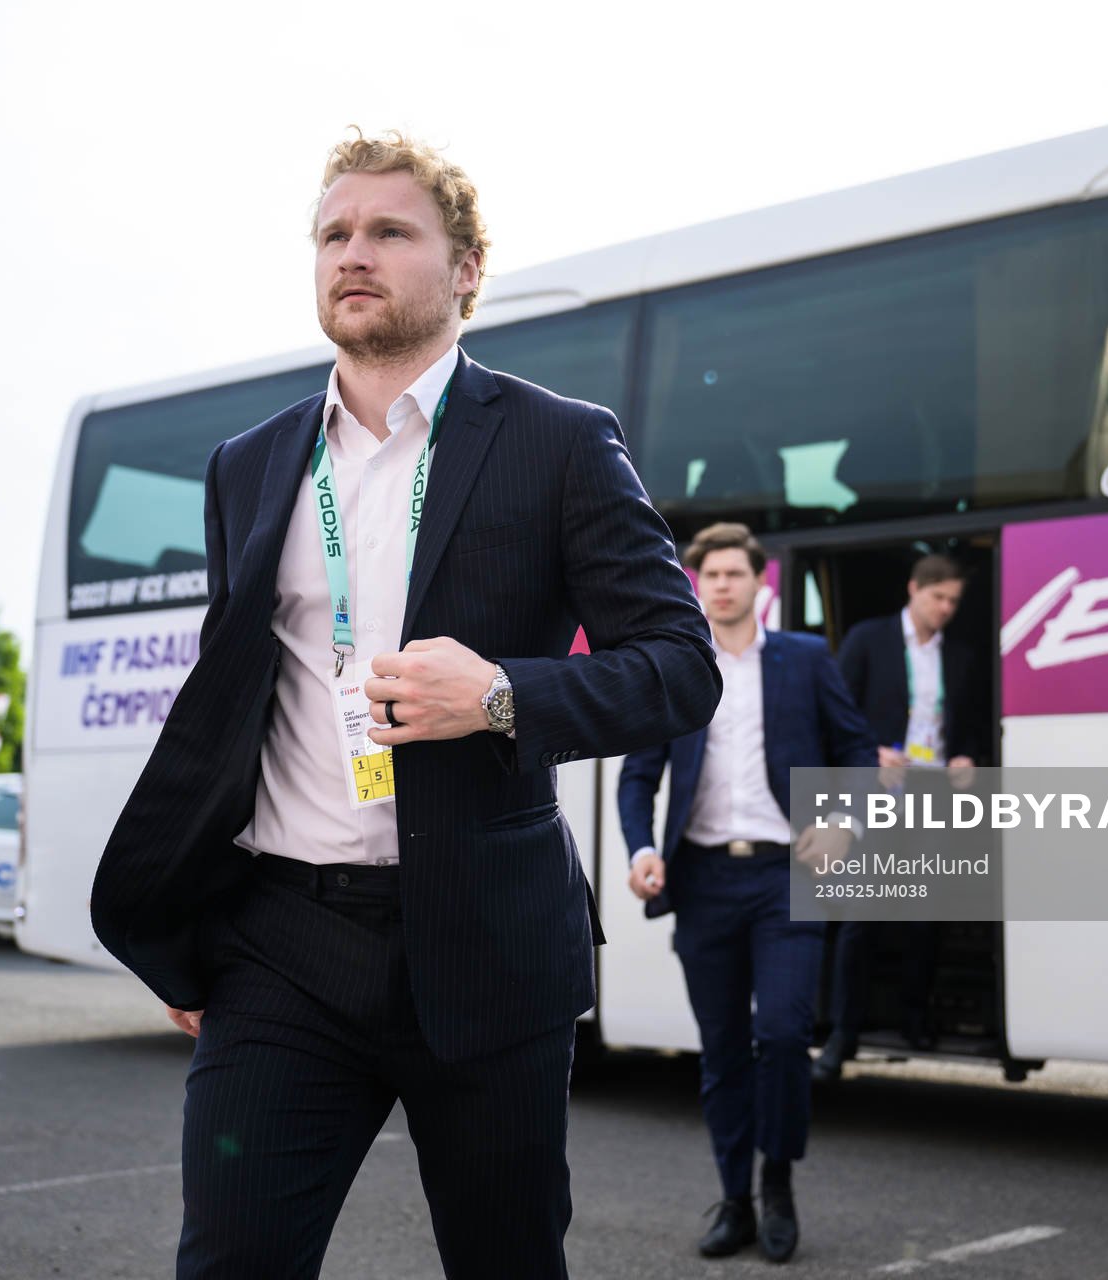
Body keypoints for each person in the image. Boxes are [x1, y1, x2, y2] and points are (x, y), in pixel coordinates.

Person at [88, 131, 719, 1280]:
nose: (354, 254)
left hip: (483, 941)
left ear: (467, 267)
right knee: (228, 1261)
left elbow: (681, 666)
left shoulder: (561, 442)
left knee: (506, 1262)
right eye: (334, 234)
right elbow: (226, 701)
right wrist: (188, 920)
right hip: (280, 944)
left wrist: (500, 694)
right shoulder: (249, 462)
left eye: (390, 231)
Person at [617, 523, 876, 1264]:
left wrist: (843, 823)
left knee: (788, 1033)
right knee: (724, 1049)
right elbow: (640, 774)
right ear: (697, 585)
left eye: (736, 573)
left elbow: (857, 747)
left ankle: (778, 1179)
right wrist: (641, 850)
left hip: (784, 875)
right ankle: (734, 1199)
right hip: (702, 881)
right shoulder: (677, 668)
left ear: (762, 582)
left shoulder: (805, 659)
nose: (723, 585)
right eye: (712, 575)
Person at [813, 553, 987, 1083]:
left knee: (922, 920)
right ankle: (841, 1036)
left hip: (933, 795)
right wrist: (871, 753)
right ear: (914, 589)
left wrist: (967, 759)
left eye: (954, 601)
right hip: (879, 790)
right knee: (859, 921)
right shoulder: (869, 640)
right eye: (939, 598)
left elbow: (973, 726)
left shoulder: (960, 656)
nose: (946, 609)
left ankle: (915, 1022)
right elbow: (834, 712)